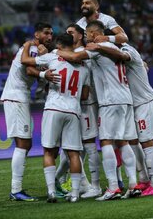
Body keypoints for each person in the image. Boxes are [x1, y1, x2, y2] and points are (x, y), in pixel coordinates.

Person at [56, 21, 140, 201]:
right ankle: (133, 184)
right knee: (123, 142)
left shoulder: (98, 46)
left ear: (94, 33)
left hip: (110, 101)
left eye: (87, 34)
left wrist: (56, 52)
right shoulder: (113, 47)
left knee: (107, 141)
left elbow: (76, 58)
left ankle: (112, 188)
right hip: (125, 99)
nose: (86, 37)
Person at [86, 42, 153, 196]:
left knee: (147, 142)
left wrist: (99, 47)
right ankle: (144, 180)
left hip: (144, 102)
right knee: (133, 141)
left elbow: (125, 57)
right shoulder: (116, 55)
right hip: (133, 103)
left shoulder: (127, 50)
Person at [21, 33, 90, 203]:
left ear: (58, 44)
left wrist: (27, 46)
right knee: (74, 153)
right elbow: (85, 95)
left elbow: (25, 62)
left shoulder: (52, 57)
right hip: (73, 110)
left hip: (54, 108)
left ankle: (51, 192)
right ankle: (74, 194)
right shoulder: (84, 67)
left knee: (49, 151)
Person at [0, 22, 59, 202]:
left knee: (25, 143)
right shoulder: (32, 48)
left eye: (51, 33)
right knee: (23, 143)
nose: (49, 36)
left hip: (19, 96)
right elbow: (28, 68)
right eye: (46, 33)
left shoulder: (39, 50)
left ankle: (16, 189)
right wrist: (43, 76)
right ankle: (15, 190)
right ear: (37, 35)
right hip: (17, 97)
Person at [54, 24, 102, 198]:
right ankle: (80, 184)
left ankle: (95, 186)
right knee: (70, 149)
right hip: (72, 106)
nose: (67, 34)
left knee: (89, 145)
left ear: (80, 36)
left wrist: (54, 52)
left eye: (70, 32)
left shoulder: (84, 52)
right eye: (65, 32)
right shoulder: (68, 54)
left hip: (86, 104)